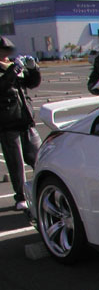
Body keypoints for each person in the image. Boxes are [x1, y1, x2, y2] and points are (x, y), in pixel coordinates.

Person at [0, 36, 42, 211]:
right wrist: (13, 70)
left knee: (39, 157)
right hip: (8, 122)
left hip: (26, 120)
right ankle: (21, 196)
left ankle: (42, 190)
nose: (5, 55)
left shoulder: (14, 67)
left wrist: (33, 69)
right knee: (16, 163)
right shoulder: (10, 70)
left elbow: (32, 84)